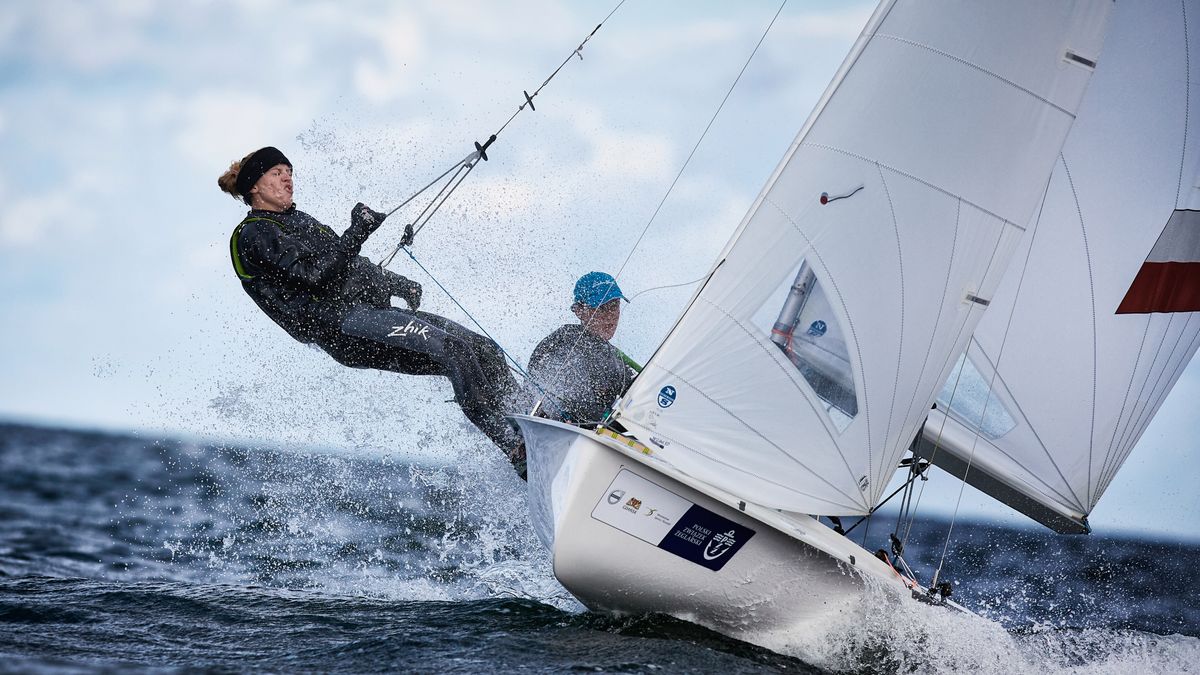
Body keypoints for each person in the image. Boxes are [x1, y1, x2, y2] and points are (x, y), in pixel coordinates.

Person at [218, 146, 523, 457]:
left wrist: (394, 282)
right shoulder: (254, 234)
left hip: (367, 313)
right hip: (341, 329)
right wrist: (356, 232)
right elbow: (313, 277)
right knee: (455, 351)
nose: (287, 180)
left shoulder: (300, 220)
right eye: (277, 173)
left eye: (290, 172)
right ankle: (515, 448)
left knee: (483, 349)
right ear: (254, 185)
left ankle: (534, 420)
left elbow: (347, 265)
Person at [526, 271, 640, 426]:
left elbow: (640, 399)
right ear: (579, 311)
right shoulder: (564, 340)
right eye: (602, 308)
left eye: (614, 306)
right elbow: (571, 399)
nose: (610, 316)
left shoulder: (615, 359)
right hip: (556, 431)